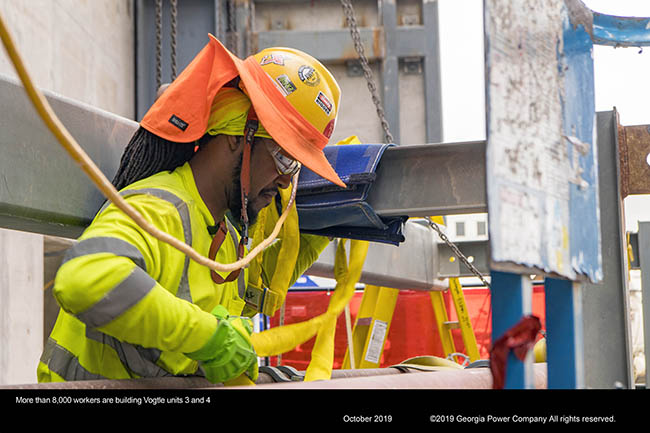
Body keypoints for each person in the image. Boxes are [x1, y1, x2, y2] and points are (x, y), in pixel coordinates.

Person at [37, 35, 346, 384]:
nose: (286, 182)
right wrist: (208, 338)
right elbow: (84, 279)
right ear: (235, 135)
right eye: (284, 159)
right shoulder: (158, 208)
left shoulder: (226, 236)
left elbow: (218, 320)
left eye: (295, 168)